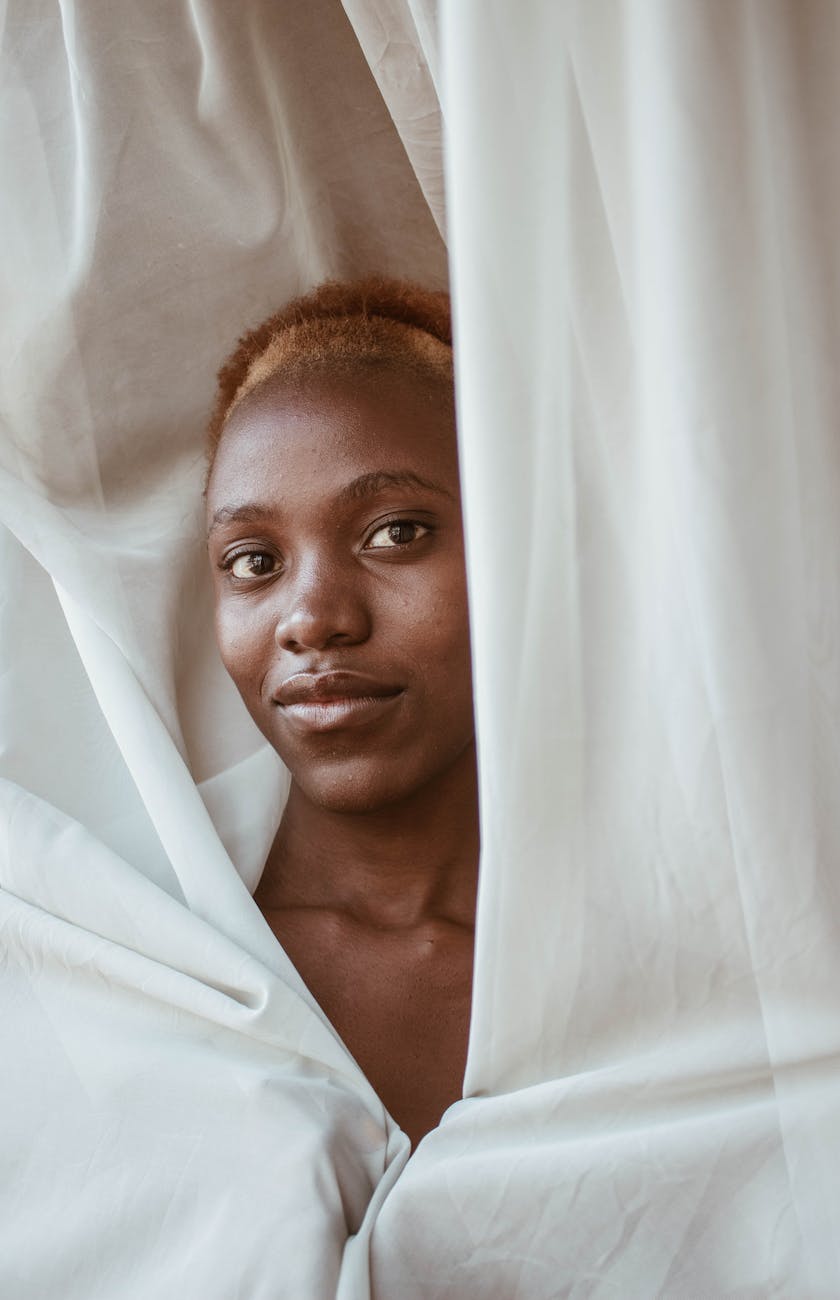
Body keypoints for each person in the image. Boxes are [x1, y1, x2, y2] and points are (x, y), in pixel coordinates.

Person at [204, 278, 478, 1149]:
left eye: (396, 532)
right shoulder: (153, 971)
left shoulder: (688, 960)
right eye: (253, 561)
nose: (314, 618)